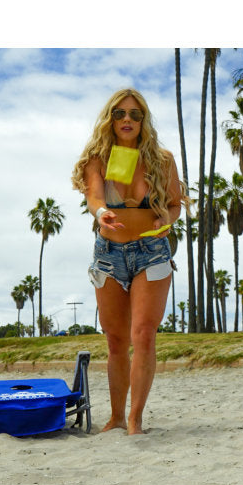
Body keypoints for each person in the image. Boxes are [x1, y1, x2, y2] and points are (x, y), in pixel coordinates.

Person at [71, 88, 184, 434]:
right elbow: (93, 196)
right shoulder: (99, 159)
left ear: (143, 121)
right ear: (110, 118)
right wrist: (103, 212)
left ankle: (135, 419)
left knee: (144, 335)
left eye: (136, 115)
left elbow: (176, 203)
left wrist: (167, 220)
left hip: (151, 253)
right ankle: (116, 417)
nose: (127, 120)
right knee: (116, 340)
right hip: (109, 256)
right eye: (120, 113)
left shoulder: (162, 159)